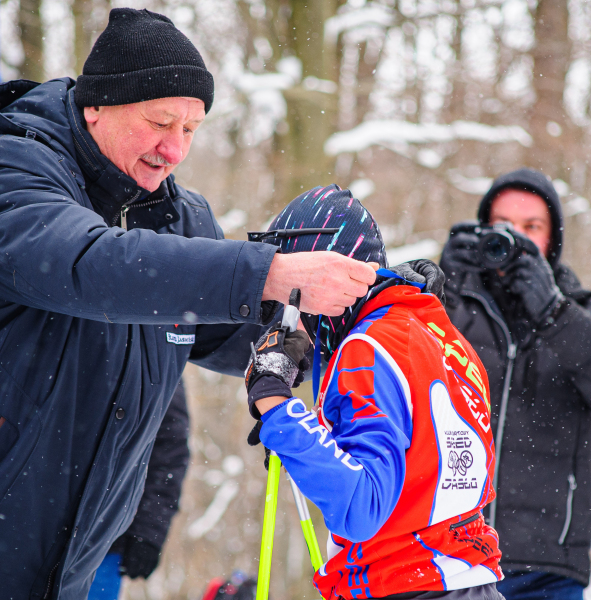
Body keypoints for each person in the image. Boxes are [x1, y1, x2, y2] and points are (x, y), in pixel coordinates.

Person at [0, 8, 415, 598]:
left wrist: (375, 312)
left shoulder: (180, 219)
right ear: (97, 105)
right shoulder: (17, 167)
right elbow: (89, 264)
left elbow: (237, 333)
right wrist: (270, 273)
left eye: (191, 129)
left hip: (70, 569)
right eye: (159, 122)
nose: (173, 148)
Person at [245, 184, 504, 599]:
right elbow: (418, 473)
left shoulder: (365, 349)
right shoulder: (444, 338)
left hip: (406, 581)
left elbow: (362, 507)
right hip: (466, 576)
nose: (287, 317)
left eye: (289, 292)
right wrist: (306, 446)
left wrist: (274, 402)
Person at [440, 168, 591, 600]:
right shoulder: (452, 309)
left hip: (547, 568)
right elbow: (409, 380)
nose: (516, 239)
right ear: (482, 232)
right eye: (503, 226)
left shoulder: (584, 313)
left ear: (554, 239)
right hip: (450, 557)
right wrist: (443, 292)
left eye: (532, 227)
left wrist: (553, 312)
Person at [88, 381, 190, 599]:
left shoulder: (160, 366)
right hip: (28, 524)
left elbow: (169, 453)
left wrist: (148, 531)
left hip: (102, 540)